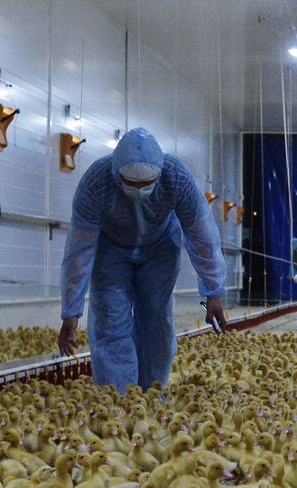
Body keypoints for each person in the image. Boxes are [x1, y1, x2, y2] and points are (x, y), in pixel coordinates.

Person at [58, 127, 229, 391]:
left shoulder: (177, 177)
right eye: (132, 183)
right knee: (110, 321)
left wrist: (213, 291)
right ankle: (118, 397)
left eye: (147, 183)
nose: (139, 190)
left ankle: (151, 391)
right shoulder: (96, 182)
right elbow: (79, 249)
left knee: (156, 318)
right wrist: (71, 311)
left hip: (159, 248)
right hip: (110, 250)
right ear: (117, 173)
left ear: (159, 174)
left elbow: (202, 235)